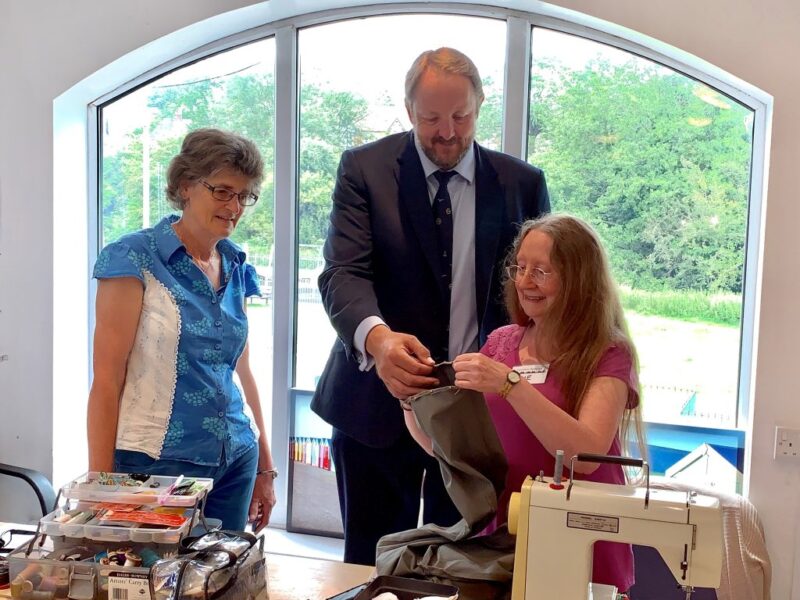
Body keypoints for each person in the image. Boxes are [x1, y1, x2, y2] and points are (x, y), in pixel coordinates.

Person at [311, 47, 550, 565]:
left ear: (481, 106)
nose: (447, 132)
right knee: (372, 567)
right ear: (407, 108)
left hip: (479, 416)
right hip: (375, 405)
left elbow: (540, 296)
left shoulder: (521, 183)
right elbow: (342, 272)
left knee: (471, 568)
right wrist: (379, 341)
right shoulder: (364, 169)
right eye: (431, 118)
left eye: (461, 116)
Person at [405, 213, 645, 592]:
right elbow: (457, 454)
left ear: (579, 280)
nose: (525, 281)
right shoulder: (501, 342)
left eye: (542, 271)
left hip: (580, 535)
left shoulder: (608, 352)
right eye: (520, 267)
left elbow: (586, 456)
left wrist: (510, 384)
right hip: (502, 535)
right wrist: (410, 400)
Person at [87, 128, 277, 532]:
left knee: (218, 583)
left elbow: (241, 372)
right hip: (157, 464)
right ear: (186, 186)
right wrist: (100, 489)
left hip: (235, 459)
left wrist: (265, 466)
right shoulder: (133, 258)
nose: (235, 206)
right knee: (147, 585)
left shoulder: (235, 263)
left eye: (244, 195)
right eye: (223, 191)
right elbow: (106, 381)